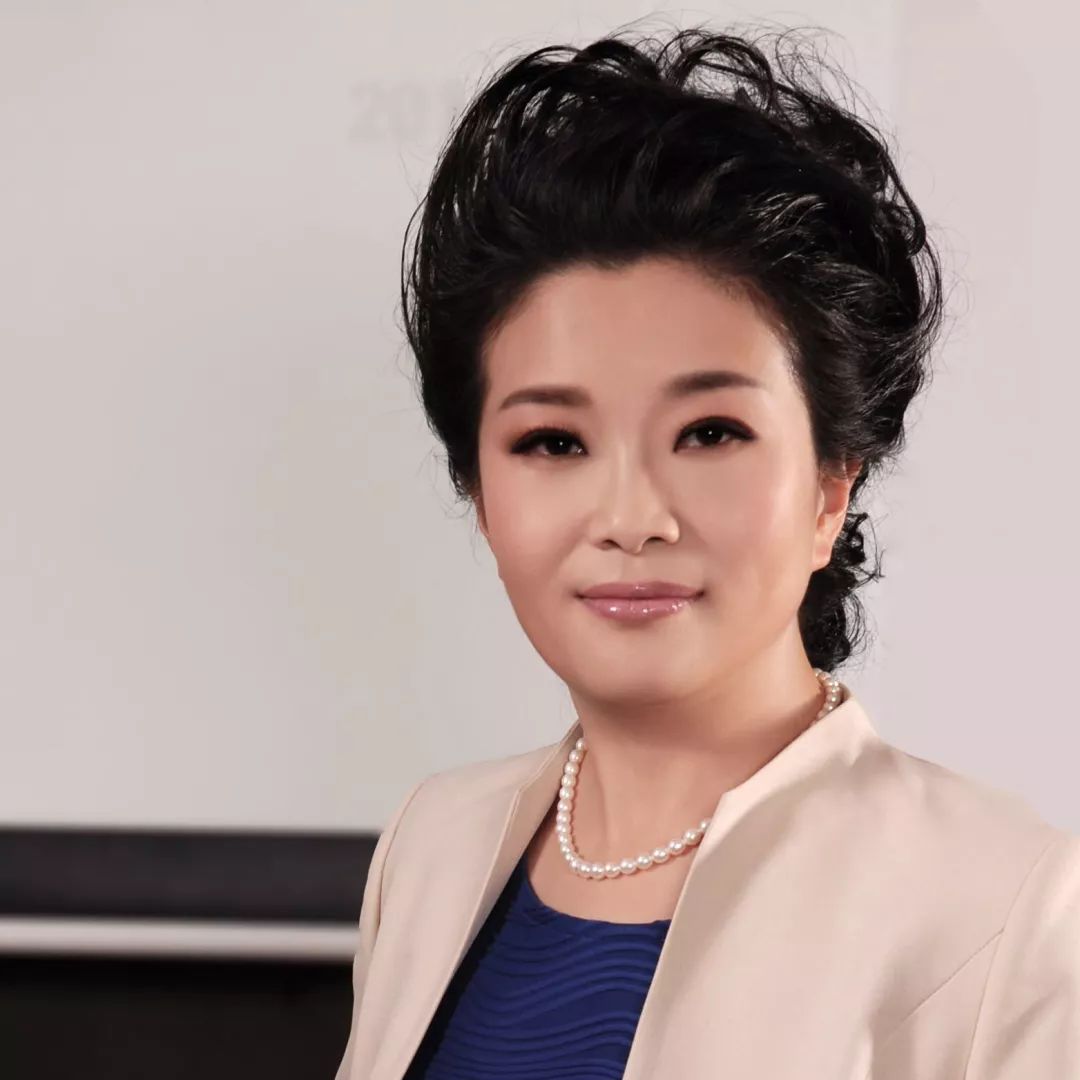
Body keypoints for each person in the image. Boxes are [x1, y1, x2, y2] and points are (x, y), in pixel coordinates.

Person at [335, 24, 1080, 1080]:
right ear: (479, 493)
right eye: (553, 442)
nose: (631, 516)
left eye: (711, 433)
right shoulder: (431, 848)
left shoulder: (1005, 907)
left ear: (832, 484)